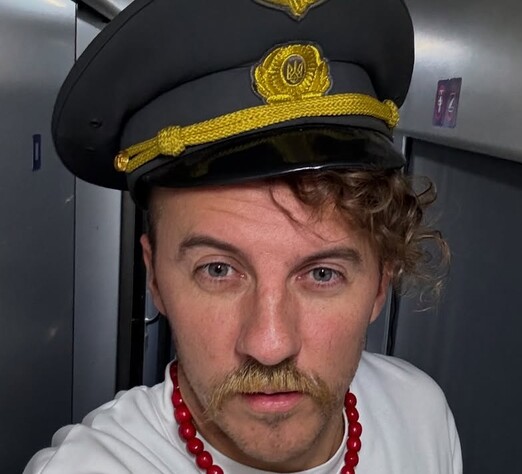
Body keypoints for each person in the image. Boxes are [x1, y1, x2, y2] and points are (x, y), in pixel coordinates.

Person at [25, 0, 462, 472]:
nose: (269, 345)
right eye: (218, 270)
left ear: (380, 284)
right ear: (155, 279)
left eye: (322, 273)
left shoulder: (421, 417)